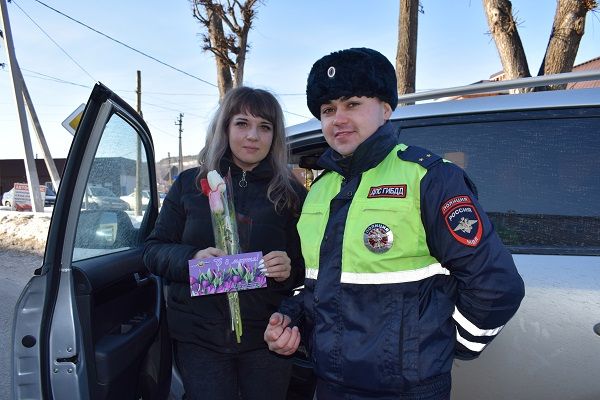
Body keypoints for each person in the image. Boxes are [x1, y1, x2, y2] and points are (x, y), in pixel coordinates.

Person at [264, 48, 525, 400]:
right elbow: (315, 282)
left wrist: (449, 344)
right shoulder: (319, 191)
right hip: (330, 383)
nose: (338, 118)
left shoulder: (430, 178)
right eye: (328, 110)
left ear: (386, 109)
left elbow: (497, 286)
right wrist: (291, 319)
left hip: (406, 390)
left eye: (352, 104)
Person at [144, 86, 306, 400]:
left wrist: (289, 268)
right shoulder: (190, 184)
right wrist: (192, 259)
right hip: (199, 341)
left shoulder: (291, 195)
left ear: (275, 135)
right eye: (242, 124)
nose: (253, 136)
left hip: (266, 339)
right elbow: (153, 250)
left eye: (265, 127)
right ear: (226, 127)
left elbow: (309, 268)